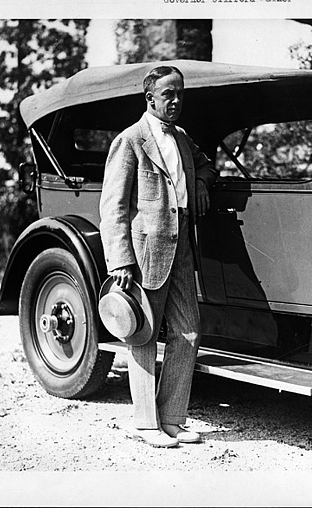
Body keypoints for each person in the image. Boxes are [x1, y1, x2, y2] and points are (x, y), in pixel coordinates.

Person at [99, 65, 216, 448]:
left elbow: (205, 164)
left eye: (180, 93)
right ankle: (146, 424)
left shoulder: (181, 137)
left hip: (182, 244)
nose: (177, 100)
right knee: (144, 333)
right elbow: (113, 207)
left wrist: (199, 181)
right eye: (169, 94)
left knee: (188, 331)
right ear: (150, 98)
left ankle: (172, 419)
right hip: (146, 250)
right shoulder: (130, 140)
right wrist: (120, 262)